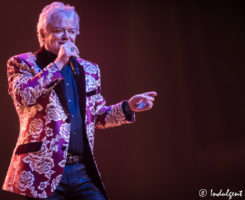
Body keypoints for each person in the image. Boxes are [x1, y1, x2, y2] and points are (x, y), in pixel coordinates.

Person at [2, 2, 157, 200]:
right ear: (42, 34)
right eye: (59, 31)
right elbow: (23, 96)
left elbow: (98, 117)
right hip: (42, 171)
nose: (66, 36)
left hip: (82, 170)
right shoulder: (22, 63)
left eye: (71, 31)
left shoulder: (90, 69)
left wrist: (129, 106)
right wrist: (58, 63)